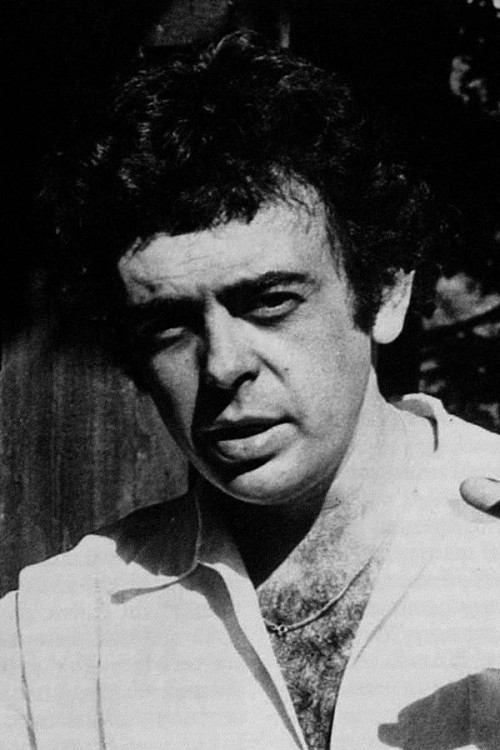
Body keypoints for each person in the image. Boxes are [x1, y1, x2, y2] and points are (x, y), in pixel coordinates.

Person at [2, 31, 500, 750]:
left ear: (387, 293)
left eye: (269, 302)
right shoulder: (56, 636)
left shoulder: (490, 541)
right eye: (169, 324)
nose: (222, 366)